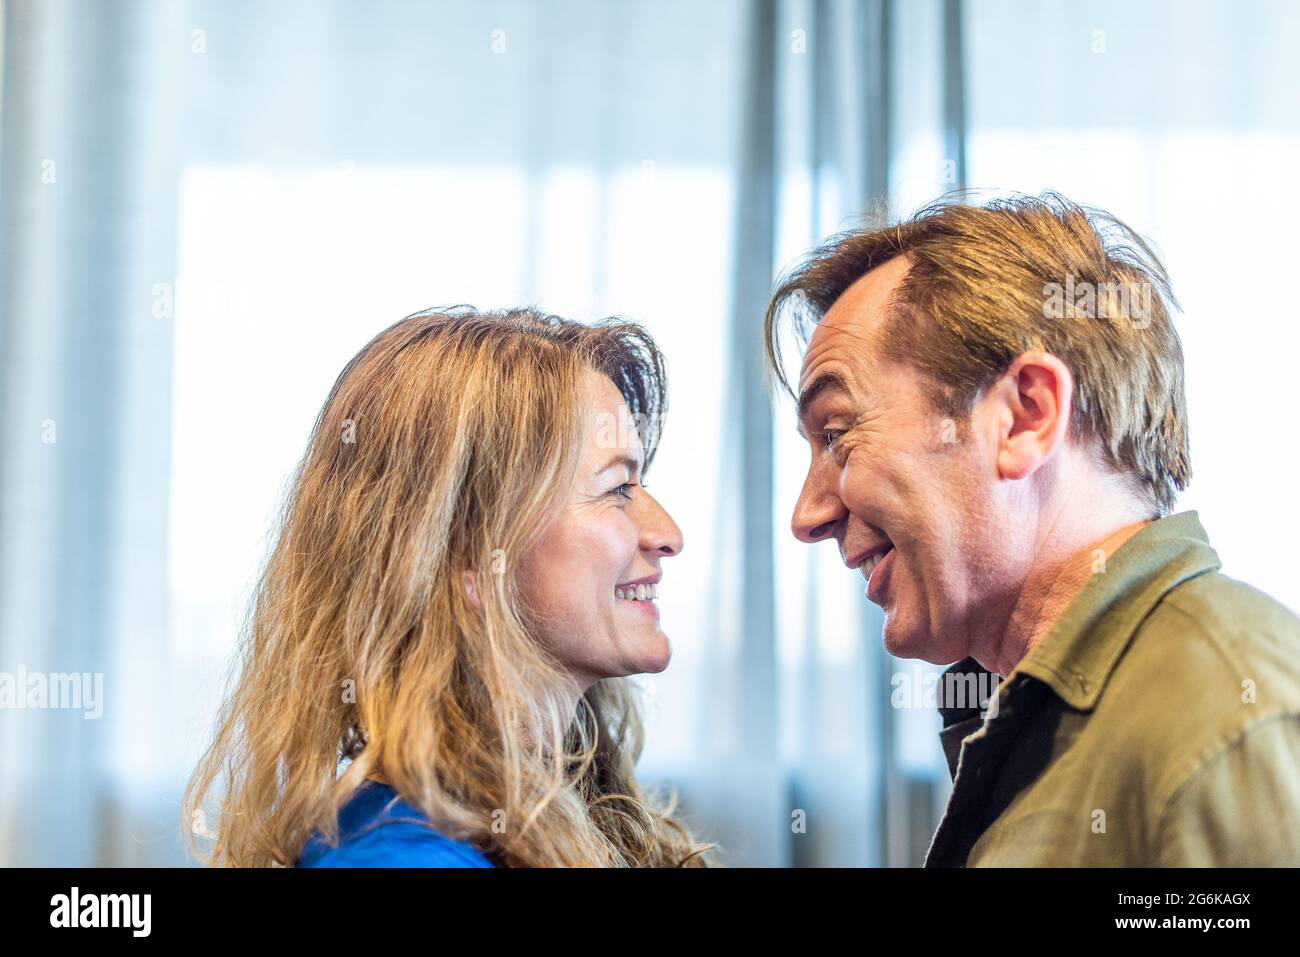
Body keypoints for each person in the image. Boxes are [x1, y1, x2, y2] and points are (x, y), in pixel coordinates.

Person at [765, 192, 1300, 866]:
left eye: (838, 434)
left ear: (1025, 416)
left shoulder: (1229, 720)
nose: (807, 516)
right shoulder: (1046, 718)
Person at [183, 306, 709, 867]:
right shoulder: (398, 859)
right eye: (617, 488)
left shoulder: (545, 812)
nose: (668, 534)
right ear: (467, 554)